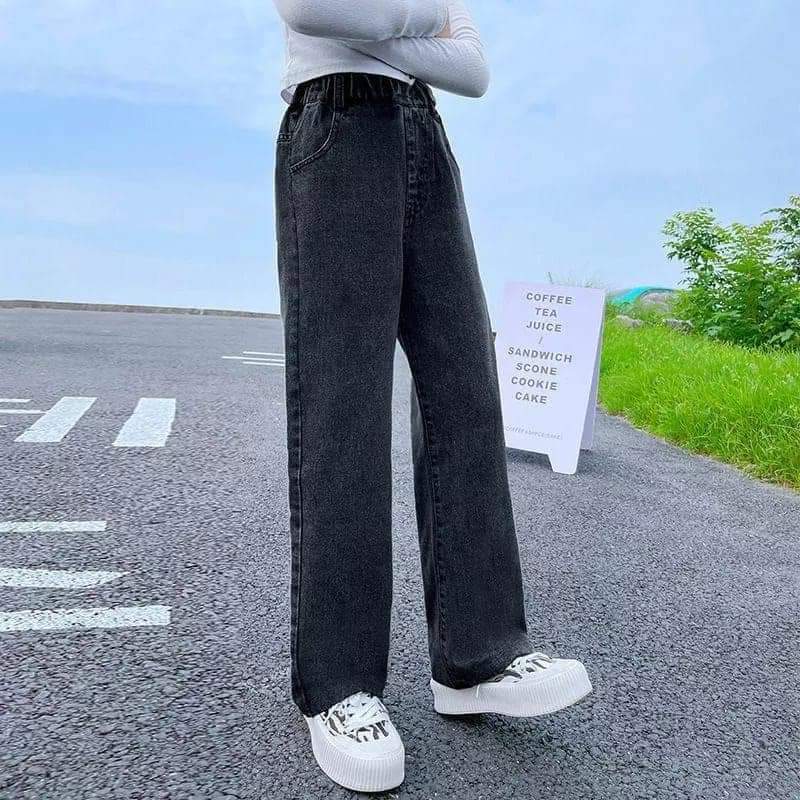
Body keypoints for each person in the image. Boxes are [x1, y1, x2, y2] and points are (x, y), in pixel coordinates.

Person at [271, 0, 592, 791]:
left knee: (466, 392)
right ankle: (340, 686)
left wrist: (383, 26)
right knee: (344, 408)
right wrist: (426, 22)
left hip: (424, 134)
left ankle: (477, 659)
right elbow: (311, 10)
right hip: (336, 124)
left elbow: (472, 71)